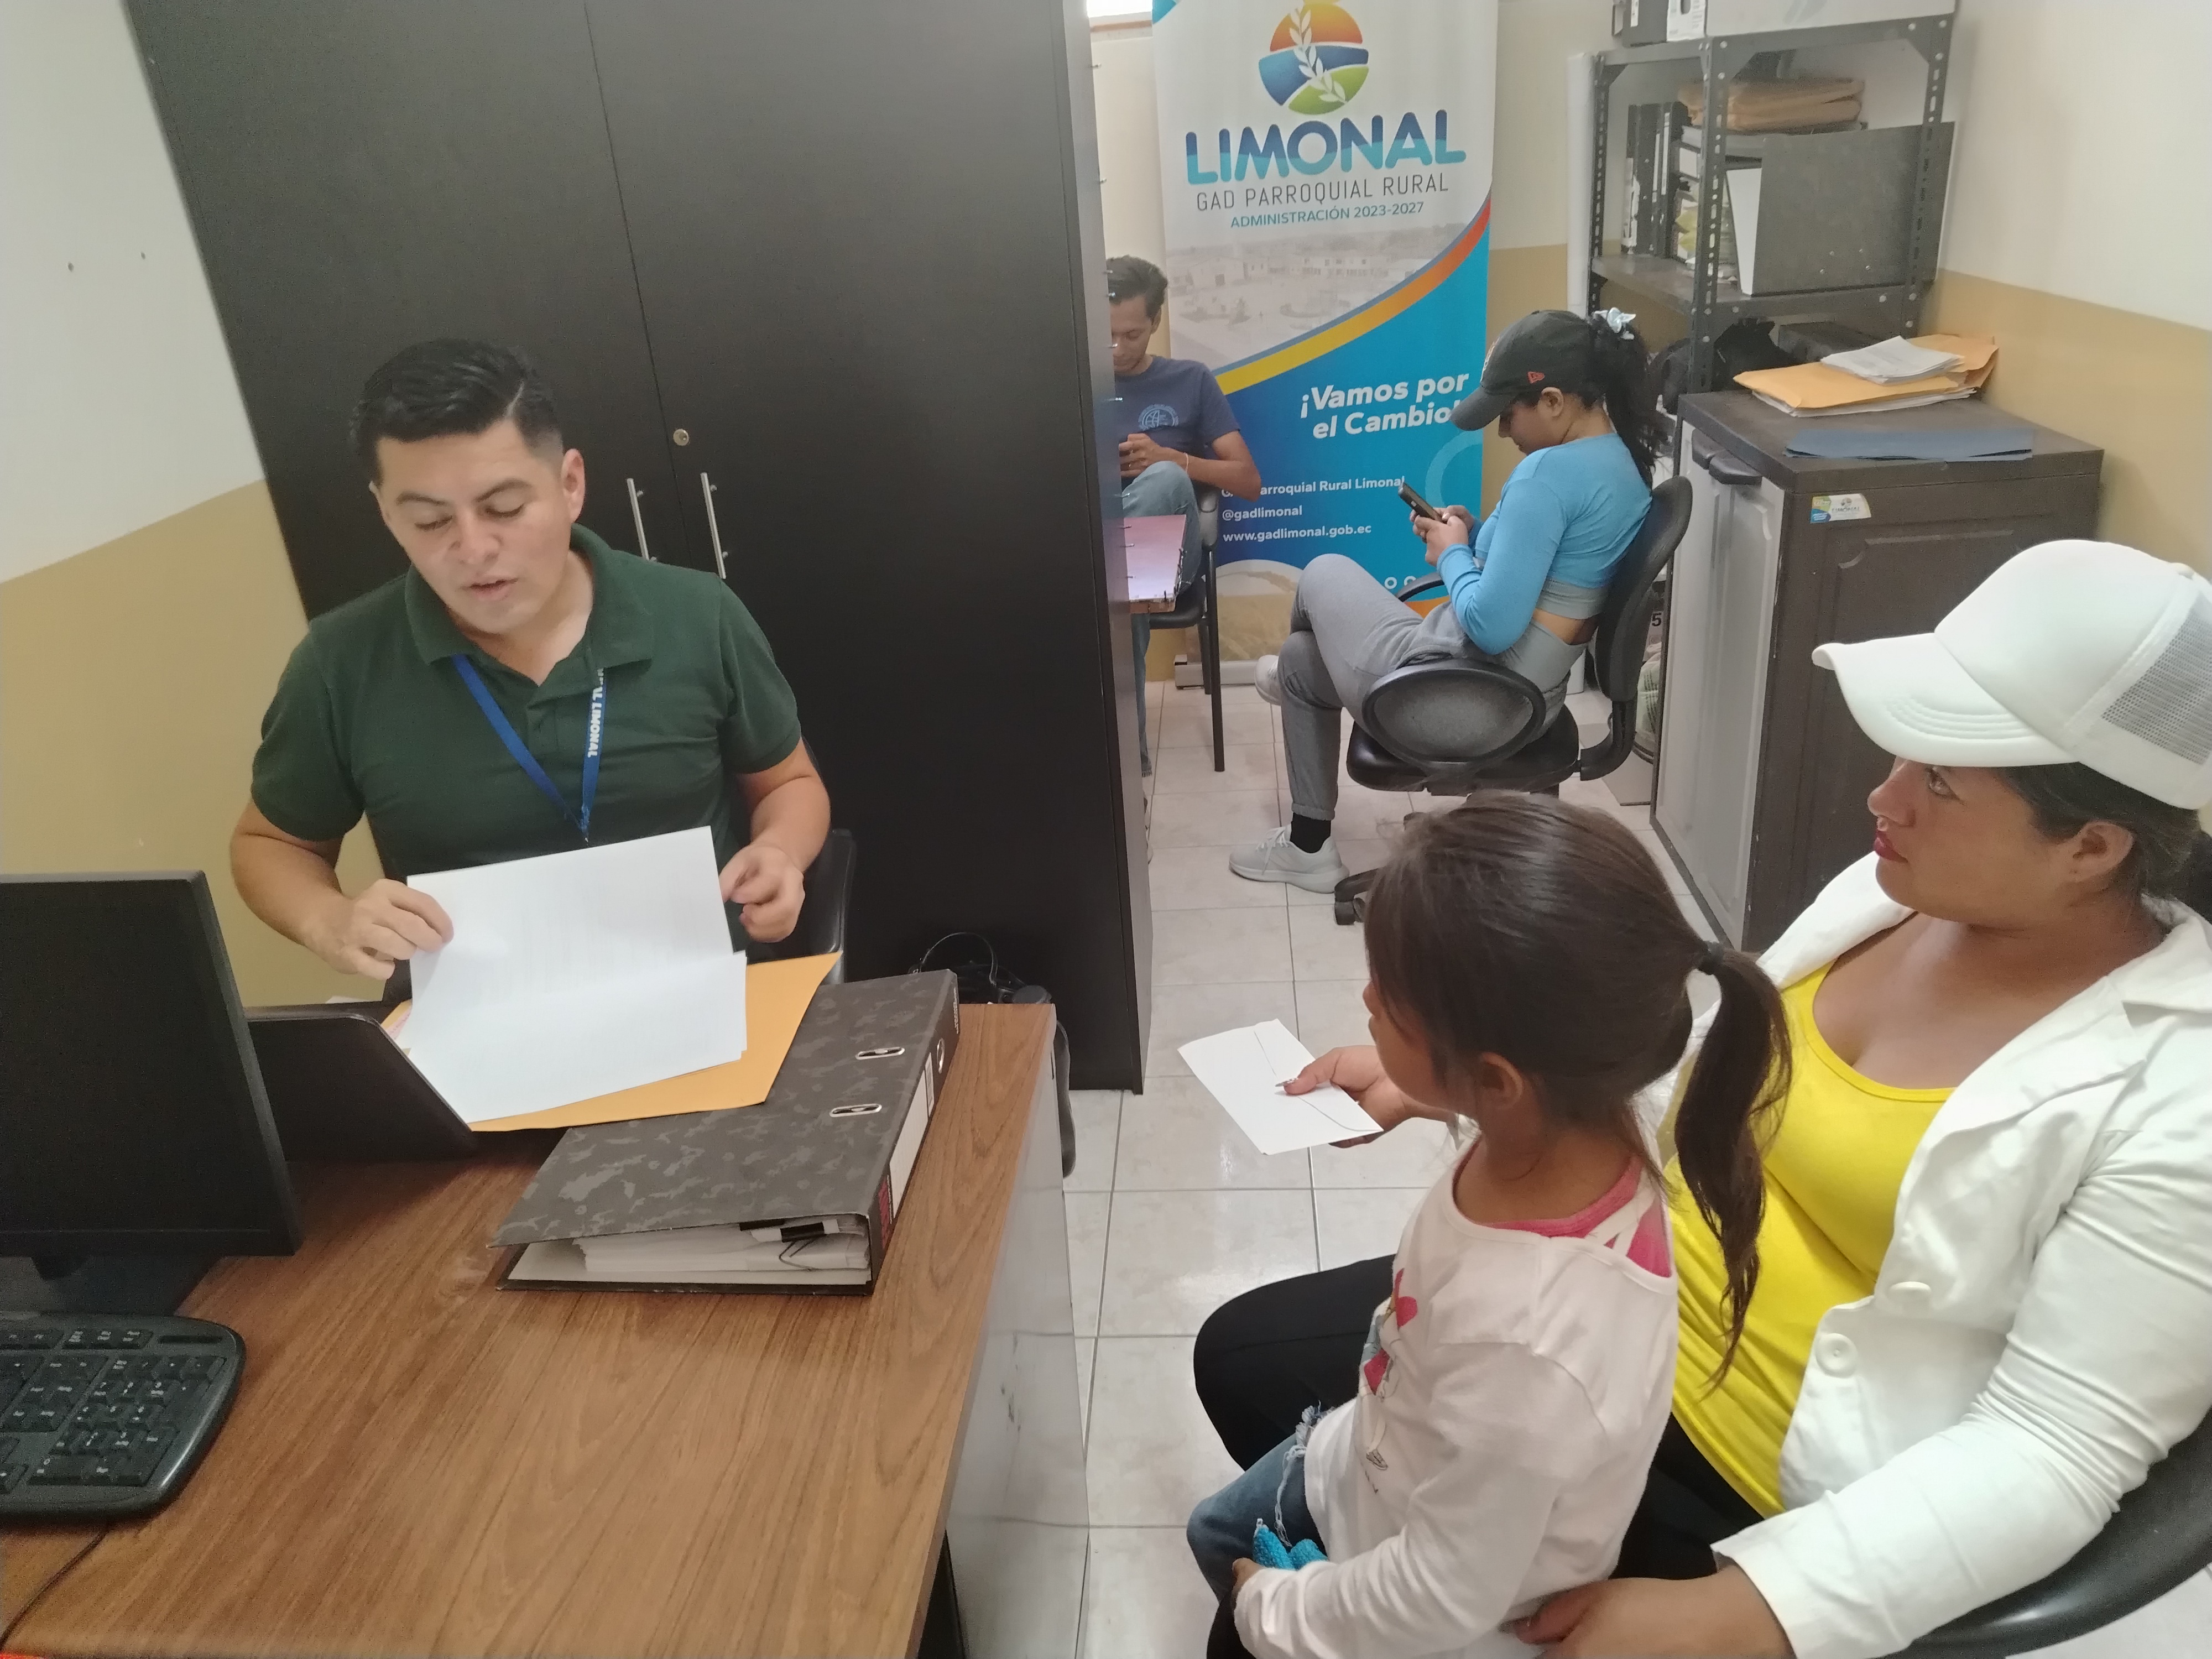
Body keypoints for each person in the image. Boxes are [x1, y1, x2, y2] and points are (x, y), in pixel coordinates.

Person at [1196, 540, 2212, 1659]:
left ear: (2090, 847)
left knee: (1299, 1605)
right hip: (1615, 1291)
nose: (1882, 797)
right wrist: (1454, 1077)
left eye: (1938, 782)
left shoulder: (2179, 1094)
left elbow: (2057, 1448)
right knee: (1242, 1360)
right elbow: (1697, 1089)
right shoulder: (1895, 897)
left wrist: (1744, 1612)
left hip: (1739, 1472)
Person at [1187, 796, 1789, 1659]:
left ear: (1501, 1080)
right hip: (1373, 1458)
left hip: (1420, 1593)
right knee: (1215, 1527)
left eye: (1390, 1001)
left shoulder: (1528, 1346)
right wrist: (1423, 1087)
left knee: (1227, 1571)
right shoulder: (1586, 1124)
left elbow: (1434, 1595)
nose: (1365, 997)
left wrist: (1271, 1611)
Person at [232, 338, 830, 984]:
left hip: (706, 981)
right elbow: (270, 845)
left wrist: (780, 853)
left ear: (570, 485)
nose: (473, 549)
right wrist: (329, 919)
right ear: (385, 513)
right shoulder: (340, 663)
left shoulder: (697, 615)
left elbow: (788, 784)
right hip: (479, 1007)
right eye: (430, 521)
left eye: (505, 509)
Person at [1229, 307, 1658, 892]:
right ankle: (1308, 846)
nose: (1502, 432)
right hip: (1526, 700)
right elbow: (1551, 573)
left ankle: (1288, 692)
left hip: (1464, 701)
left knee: (1322, 571)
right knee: (1303, 660)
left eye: (1508, 415)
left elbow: (1489, 625)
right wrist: (1477, 535)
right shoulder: (1621, 465)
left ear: (1554, 401)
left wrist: (1452, 553)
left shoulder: (1546, 476)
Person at [1106, 254, 1262, 772]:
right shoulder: (1072, 384)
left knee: (1164, 481)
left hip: (1172, 557)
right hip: (1113, 560)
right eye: (1106, 336)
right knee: (1124, 595)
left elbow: (1249, 481)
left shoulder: (1190, 380)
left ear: (1155, 321)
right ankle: (1127, 764)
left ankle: (1114, 571)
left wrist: (1177, 460)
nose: (1118, 348)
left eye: (1132, 334)